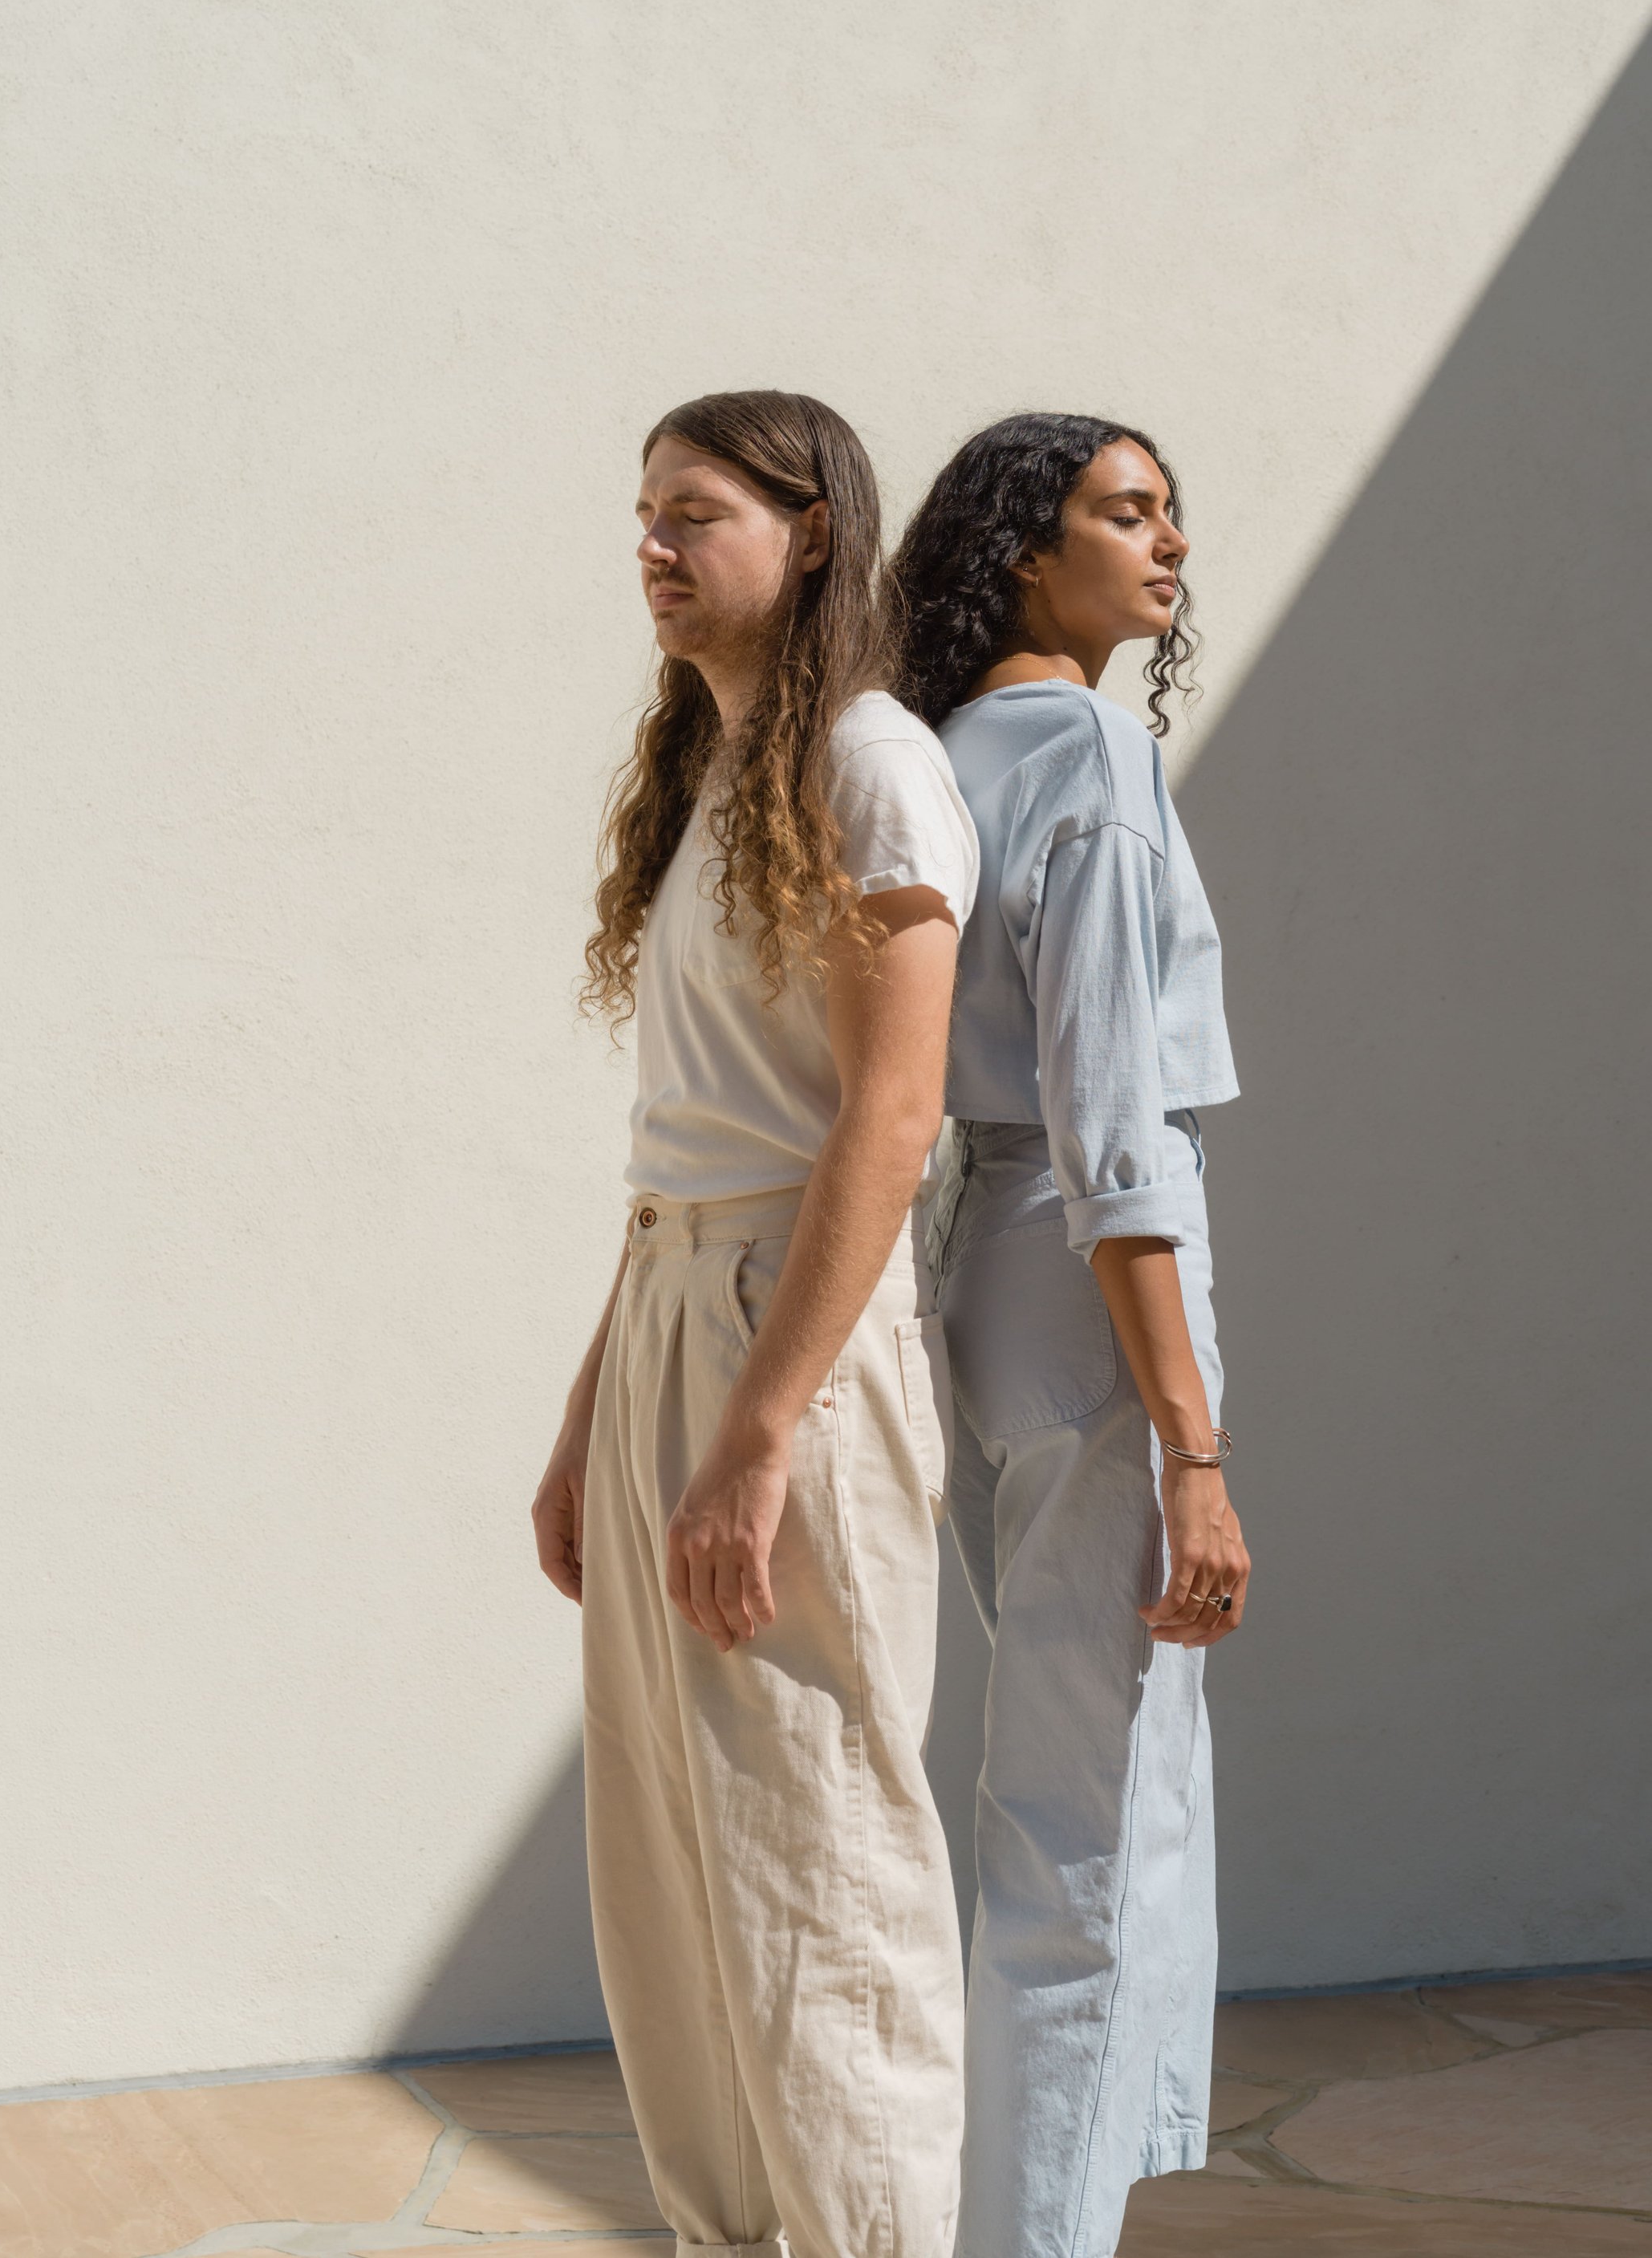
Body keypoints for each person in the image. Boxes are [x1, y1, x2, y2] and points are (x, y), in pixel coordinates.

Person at [534, 390, 978, 2258]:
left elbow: (885, 1123)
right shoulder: (709, 777)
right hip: (671, 1308)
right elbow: (688, 1145)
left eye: (692, 511)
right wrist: (589, 1428)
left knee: (818, 1853)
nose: (651, 541)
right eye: (641, 510)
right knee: (666, 1859)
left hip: (788, 1340)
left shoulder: (871, 764)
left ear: (809, 533)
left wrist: (757, 1430)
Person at [890, 412, 1250, 2258]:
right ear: (1026, 548)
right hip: (1088, 1273)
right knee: (1083, 1827)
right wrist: (1192, 1445)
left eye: (1173, 515)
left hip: (974, 1263)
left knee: (1041, 1792)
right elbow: (1119, 1128)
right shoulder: (1095, 760)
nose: (1167, 544)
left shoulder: (945, 756)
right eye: (1126, 512)